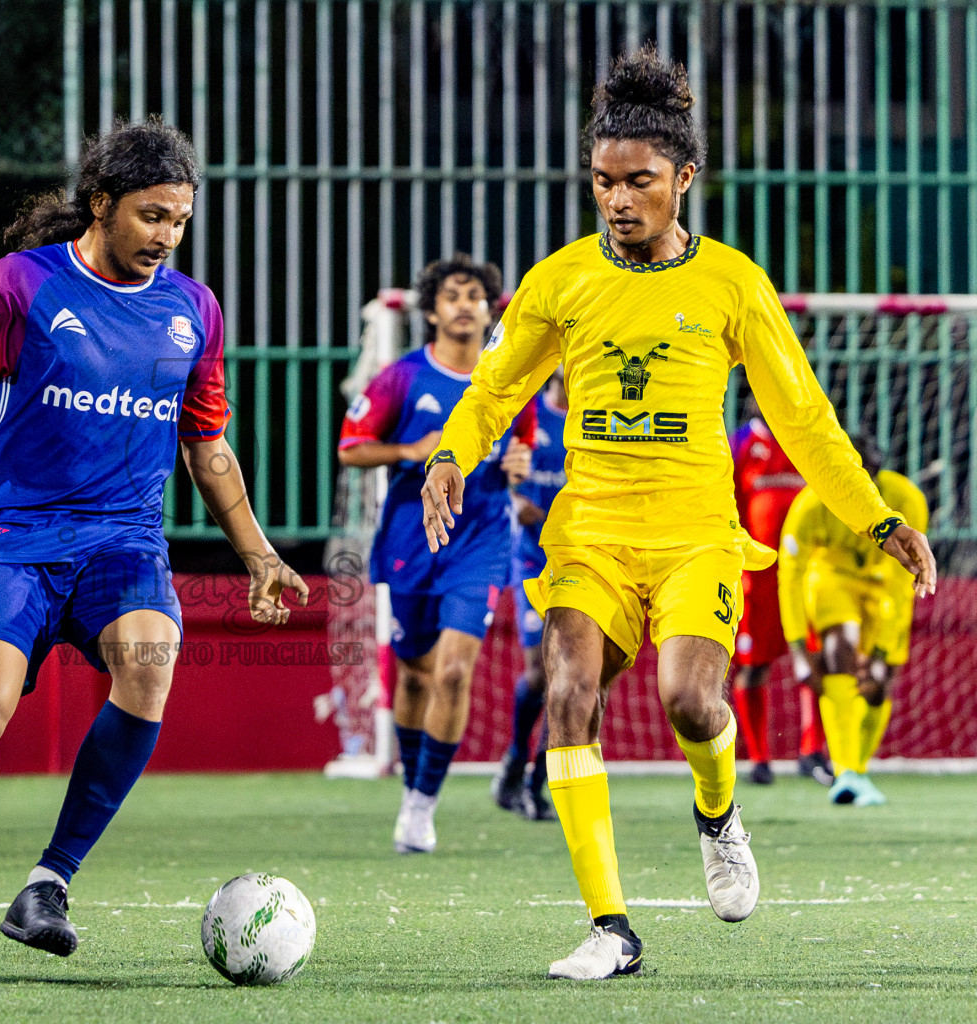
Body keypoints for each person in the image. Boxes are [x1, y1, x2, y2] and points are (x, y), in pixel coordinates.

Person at [419, 47, 936, 980]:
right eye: (603, 183)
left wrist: (875, 520)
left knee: (693, 705)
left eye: (640, 183)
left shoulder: (733, 284)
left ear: (684, 178)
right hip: (592, 534)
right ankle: (612, 929)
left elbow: (803, 418)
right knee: (570, 695)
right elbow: (495, 388)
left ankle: (717, 812)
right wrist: (453, 454)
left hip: (699, 533)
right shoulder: (562, 280)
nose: (618, 200)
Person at [0, 118, 308, 981]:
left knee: (150, 660)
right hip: (13, 541)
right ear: (101, 204)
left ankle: (50, 884)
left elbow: (208, 448)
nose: (166, 237)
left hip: (122, 543)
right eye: (151, 216)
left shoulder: (192, 311)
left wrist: (260, 554)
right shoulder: (21, 286)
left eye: (179, 220)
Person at [338, 255, 530, 854]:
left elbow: (523, 453)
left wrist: (521, 469)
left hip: (479, 542)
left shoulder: (509, 381)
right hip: (411, 539)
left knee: (453, 670)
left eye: (476, 295)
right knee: (416, 677)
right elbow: (350, 449)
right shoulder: (400, 379)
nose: (466, 305)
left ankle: (423, 806)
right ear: (431, 311)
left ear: (490, 307)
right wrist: (408, 450)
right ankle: (412, 790)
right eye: (453, 295)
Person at [777, 435, 928, 807]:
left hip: (883, 588)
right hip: (832, 578)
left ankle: (857, 770)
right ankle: (844, 771)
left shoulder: (908, 500)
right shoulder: (812, 503)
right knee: (839, 648)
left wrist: (881, 651)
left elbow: (901, 584)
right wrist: (798, 647)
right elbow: (791, 574)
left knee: (879, 684)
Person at [491, 366, 568, 821]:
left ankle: (537, 782)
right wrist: (517, 504)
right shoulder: (528, 415)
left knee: (573, 677)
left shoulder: (598, 418)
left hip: (579, 561)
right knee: (540, 674)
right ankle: (516, 761)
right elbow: (497, 482)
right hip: (530, 563)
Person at [729, 391, 809, 785]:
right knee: (753, 666)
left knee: (818, 660)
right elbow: (724, 500)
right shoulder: (741, 442)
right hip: (756, 579)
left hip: (804, 575)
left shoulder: (804, 437)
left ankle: (813, 753)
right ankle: (760, 759)